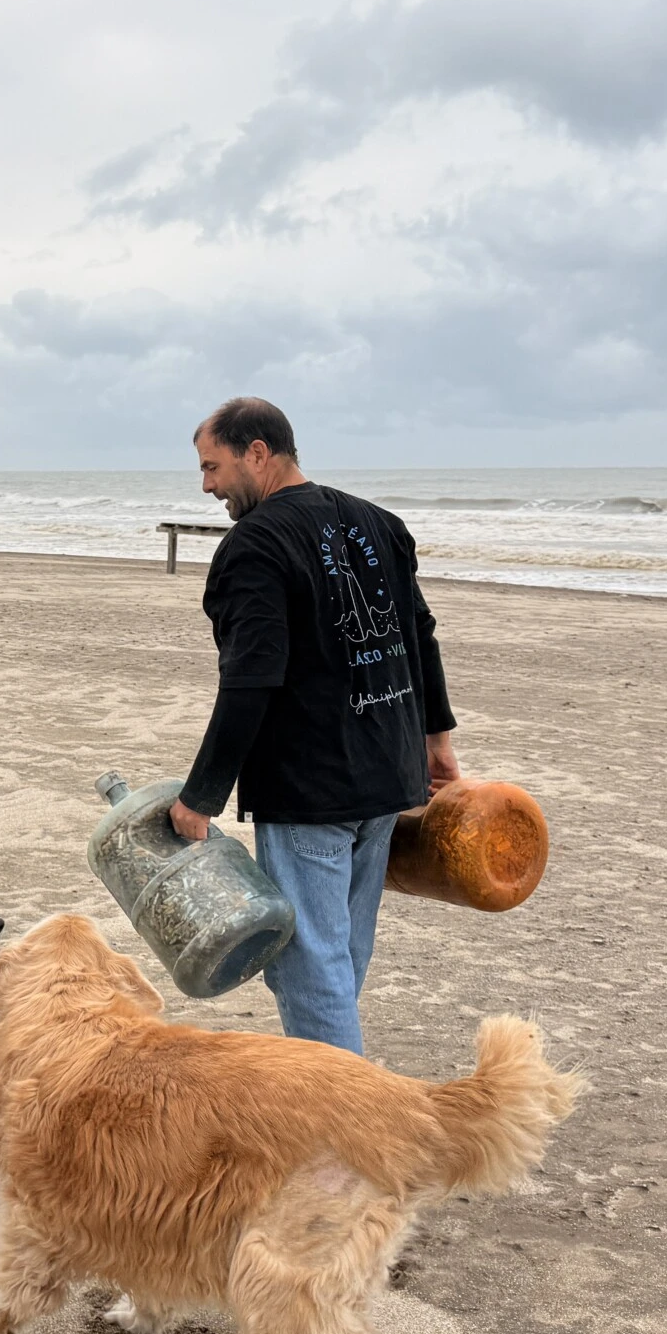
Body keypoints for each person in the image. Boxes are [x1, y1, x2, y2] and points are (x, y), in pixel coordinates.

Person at [169, 397, 457, 1054]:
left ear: (259, 453)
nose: (207, 484)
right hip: (387, 773)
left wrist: (201, 797)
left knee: (310, 967)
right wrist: (437, 742)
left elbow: (252, 676)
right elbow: (418, 637)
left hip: (311, 788)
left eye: (213, 467)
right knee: (339, 957)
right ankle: (342, 1098)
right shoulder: (379, 523)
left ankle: (341, 1128)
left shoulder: (256, 544)